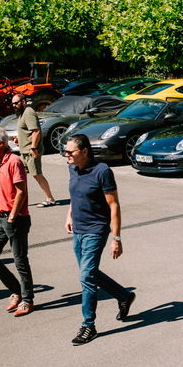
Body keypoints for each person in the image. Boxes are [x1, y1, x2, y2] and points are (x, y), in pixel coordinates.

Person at [64, 134, 135, 345]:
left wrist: (116, 238)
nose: (66, 155)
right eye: (65, 152)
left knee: (86, 277)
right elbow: (75, 194)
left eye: (70, 152)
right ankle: (123, 296)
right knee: (90, 273)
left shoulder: (102, 171)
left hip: (95, 230)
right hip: (78, 229)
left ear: (84, 151)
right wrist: (69, 215)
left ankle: (89, 325)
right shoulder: (72, 167)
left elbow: (114, 205)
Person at [0, 127, 35, 317]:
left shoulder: (14, 161)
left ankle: (27, 300)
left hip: (16, 218)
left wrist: (13, 215)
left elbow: (21, 191)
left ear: (0, 144)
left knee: (20, 260)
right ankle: (16, 291)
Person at [13, 95, 56, 207]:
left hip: (31, 151)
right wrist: (19, 138)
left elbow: (36, 131)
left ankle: (50, 199)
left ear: (23, 101)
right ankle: (19, 198)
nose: (14, 105)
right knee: (19, 174)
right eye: (13, 103)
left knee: (37, 174)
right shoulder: (22, 113)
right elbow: (26, 130)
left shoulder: (28, 112)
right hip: (24, 151)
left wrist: (33, 148)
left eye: (16, 103)